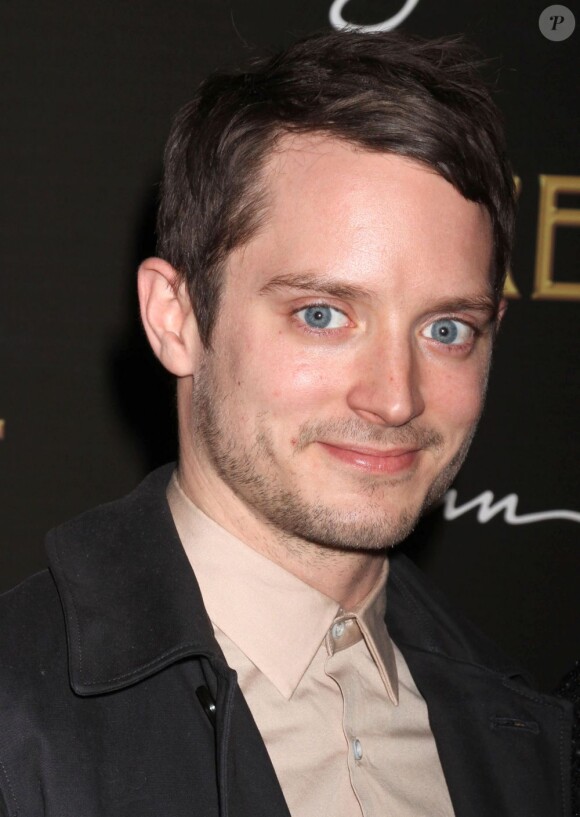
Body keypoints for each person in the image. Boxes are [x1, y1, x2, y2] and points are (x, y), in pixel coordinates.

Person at [0, 30, 572, 817]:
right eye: (323, 313)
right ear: (177, 319)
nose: (395, 398)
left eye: (446, 329)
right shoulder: (16, 723)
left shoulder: (536, 743)